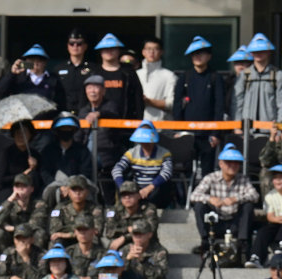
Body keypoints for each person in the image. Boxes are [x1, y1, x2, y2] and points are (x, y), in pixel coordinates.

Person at [190, 142, 259, 262]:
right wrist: (209, 198)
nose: (232, 165)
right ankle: (206, 242)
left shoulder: (243, 179)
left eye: (236, 162)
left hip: (235, 223)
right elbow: (194, 196)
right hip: (216, 221)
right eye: (228, 162)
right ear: (221, 164)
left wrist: (236, 198)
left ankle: (243, 246)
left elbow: (255, 196)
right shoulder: (211, 178)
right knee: (199, 206)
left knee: (248, 206)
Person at [173, 36, 225, 178]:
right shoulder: (185, 77)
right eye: (194, 53)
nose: (197, 56)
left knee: (207, 172)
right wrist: (178, 130)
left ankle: (205, 200)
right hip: (187, 134)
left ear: (209, 56)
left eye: (201, 53)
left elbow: (219, 107)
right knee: (185, 171)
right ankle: (187, 199)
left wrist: (216, 133)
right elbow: (177, 105)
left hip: (208, 136)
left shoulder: (215, 77)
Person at [79, 75, 125, 204]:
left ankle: (108, 209)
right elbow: (79, 135)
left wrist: (99, 114)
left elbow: (114, 115)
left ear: (104, 91)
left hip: (106, 154)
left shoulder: (111, 106)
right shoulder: (83, 111)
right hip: (86, 155)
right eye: (89, 88)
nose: (92, 91)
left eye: (96, 87)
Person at [111, 121, 173, 209]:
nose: (145, 144)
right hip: (136, 188)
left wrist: (150, 187)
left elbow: (167, 172)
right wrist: (124, 187)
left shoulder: (164, 153)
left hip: (155, 189)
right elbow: (116, 169)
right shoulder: (132, 152)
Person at [39, 113, 92, 205]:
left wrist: (72, 186)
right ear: (57, 130)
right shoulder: (48, 150)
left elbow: (86, 172)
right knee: (49, 193)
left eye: (69, 128)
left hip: (77, 187)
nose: (66, 130)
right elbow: (44, 171)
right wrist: (58, 186)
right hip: (53, 186)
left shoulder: (82, 150)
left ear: (74, 129)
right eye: (63, 128)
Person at [0, 44, 64, 111]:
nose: (35, 63)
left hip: (47, 119)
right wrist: (12, 73)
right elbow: (0, 91)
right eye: (32, 60)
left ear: (45, 62)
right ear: (26, 61)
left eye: (39, 60)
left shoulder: (53, 80)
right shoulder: (19, 78)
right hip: (23, 119)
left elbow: (61, 103)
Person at [92, 33, 144, 119]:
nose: (109, 51)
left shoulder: (128, 72)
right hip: (101, 124)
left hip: (126, 122)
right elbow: (85, 100)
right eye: (105, 49)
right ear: (101, 51)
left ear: (119, 50)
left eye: (112, 48)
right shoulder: (95, 72)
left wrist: (139, 122)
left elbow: (138, 99)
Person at [234, 33, 282, 125]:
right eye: (255, 50)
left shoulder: (278, 75)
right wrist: (237, 126)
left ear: (269, 51)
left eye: (262, 50)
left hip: (270, 131)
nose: (258, 53)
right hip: (247, 131)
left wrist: (280, 128)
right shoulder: (244, 75)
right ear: (251, 52)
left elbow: (281, 104)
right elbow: (237, 103)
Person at [0, 173, 47, 253]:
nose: (20, 189)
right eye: (17, 187)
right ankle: (6, 257)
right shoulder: (9, 204)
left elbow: (37, 225)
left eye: (24, 186)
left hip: (30, 238)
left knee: (40, 233)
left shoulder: (39, 204)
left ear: (31, 189)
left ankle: (35, 259)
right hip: (12, 238)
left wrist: (14, 228)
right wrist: (10, 200)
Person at [48, 174, 104, 249]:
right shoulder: (60, 208)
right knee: (55, 242)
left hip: (86, 239)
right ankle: (57, 260)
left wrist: (67, 233)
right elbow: (54, 231)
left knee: (94, 239)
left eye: (81, 189)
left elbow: (96, 231)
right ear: (68, 192)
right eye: (74, 190)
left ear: (87, 192)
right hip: (67, 241)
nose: (77, 193)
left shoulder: (95, 208)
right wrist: (85, 229)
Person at [105, 181, 159, 252]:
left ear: (138, 195)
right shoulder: (115, 210)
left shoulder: (148, 209)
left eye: (131, 194)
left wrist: (125, 237)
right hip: (122, 244)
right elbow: (109, 233)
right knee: (111, 247)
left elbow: (150, 231)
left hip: (145, 245)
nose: (127, 197)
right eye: (124, 195)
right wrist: (127, 229)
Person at [0, 120, 41, 203]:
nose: (21, 136)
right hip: (9, 188)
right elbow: (1, 180)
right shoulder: (6, 153)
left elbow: (40, 179)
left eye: (24, 133)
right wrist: (23, 174)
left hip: (30, 191)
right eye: (17, 133)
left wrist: (35, 167)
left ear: (30, 135)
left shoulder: (35, 154)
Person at [67, 211, 104, 279]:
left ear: (94, 231)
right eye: (79, 230)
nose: (82, 233)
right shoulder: (68, 252)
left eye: (86, 229)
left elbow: (114, 277)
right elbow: (59, 274)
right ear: (75, 232)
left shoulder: (104, 253)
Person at [246, 165, 282, 268]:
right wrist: (278, 219)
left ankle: (280, 246)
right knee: (263, 231)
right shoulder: (270, 196)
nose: (278, 181)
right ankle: (256, 257)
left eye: (281, 178)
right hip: (277, 223)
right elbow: (270, 216)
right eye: (276, 178)